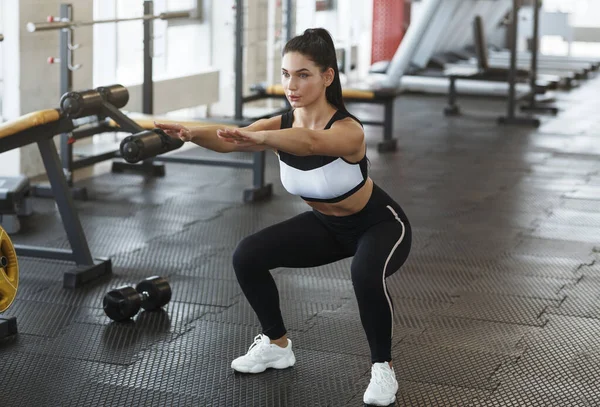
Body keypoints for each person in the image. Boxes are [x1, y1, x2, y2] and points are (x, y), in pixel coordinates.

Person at [155, 28, 412, 407]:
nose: (292, 85)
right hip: (327, 226)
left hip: (380, 224)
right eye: (286, 74)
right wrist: (191, 133)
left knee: (364, 274)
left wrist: (259, 137)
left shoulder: (348, 130)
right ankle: (277, 345)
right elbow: (230, 139)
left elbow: (309, 143)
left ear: (328, 76)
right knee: (248, 255)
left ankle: (382, 368)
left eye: (304, 74)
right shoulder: (280, 123)